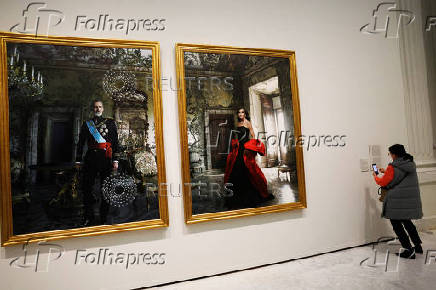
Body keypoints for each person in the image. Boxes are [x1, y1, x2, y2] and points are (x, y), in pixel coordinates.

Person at [373, 144, 423, 259]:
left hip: (397, 201)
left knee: (397, 225)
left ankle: (408, 250)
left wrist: (375, 176)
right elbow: (399, 176)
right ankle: (417, 246)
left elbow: (384, 183)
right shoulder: (409, 163)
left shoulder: (394, 167)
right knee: (407, 223)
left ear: (394, 154)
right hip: (406, 200)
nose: (390, 156)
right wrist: (386, 171)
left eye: (390, 153)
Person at [76, 99, 119, 226]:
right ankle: (88, 216)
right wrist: (78, 160)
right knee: (87, 188)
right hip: (90, 159)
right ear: (93, 109)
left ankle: (103, 216)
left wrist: (115, 159)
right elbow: (80, 143)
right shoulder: (87, 124)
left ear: (103, 109)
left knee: (105, 188)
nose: (98, 109)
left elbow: (115, 142)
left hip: (105, 159)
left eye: (100, 107)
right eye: (95, 107)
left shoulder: (110, 123)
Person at [223, 108, 274, 209]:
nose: (240, 114)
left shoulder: (247, 123)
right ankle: (236, 196)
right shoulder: (238, 124)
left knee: (247, 170)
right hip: (238, 149)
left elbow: (253, 135)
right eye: (239, 112)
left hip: (245, 150)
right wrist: (235, 142)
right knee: (235, 170)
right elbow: (236, 137)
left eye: (242, 112)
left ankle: (248, 196)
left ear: (245, 114)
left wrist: (251, 147)